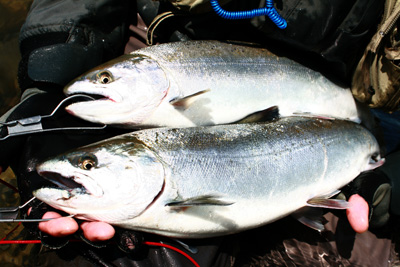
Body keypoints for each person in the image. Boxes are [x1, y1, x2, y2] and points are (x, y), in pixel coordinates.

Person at [1, 0, 398, 265]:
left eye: (89, 163)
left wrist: (374, 161)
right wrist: (50, 77)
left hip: (335, 73)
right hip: (170, 33)